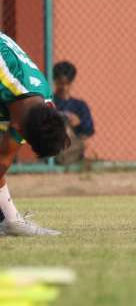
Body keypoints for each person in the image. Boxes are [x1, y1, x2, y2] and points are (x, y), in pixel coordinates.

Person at [0, 32, 69, 236]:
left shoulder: (44, 106)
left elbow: (3, 160)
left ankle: (11, 222)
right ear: (19, 127)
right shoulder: (5, 78)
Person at [51, 61, 95, 165]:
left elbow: (89, 130)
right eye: (60, 83)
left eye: (67, 84)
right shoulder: (49, 103)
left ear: (71, 83)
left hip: (73, 144)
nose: (64, 88)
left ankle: (68, 155)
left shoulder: (79, 105)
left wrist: (79, 123)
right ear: (55, 82)